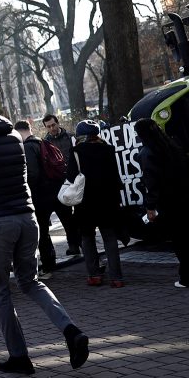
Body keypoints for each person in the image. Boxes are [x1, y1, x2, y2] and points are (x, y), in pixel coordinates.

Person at [0, 95, 89, 374]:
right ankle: (71, 331)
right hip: (26, 217)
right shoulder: (13, 137)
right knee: (31, 282)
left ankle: (20, 357)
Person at [69, 120, 124, 288]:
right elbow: (116, 177)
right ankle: (117, 278)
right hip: (107, 201)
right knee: (109, 238)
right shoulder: (108, 149)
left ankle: (94, 275)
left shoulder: (76, 152)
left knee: (87, 238)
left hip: (85, 204)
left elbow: (71, 177)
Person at [134, 118, 188, 288]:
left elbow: (152, 183)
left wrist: (150, 207)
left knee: (179, 241)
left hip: (169, 203)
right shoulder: (172, 145)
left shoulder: (147, 153)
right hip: (184, 197)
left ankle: (186, 277)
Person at [15, 121, 59, 276]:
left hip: (39, 195)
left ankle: (48, 265)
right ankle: (51, 261)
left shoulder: (27, 147)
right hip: (51, 191)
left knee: (41, 232)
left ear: (19, 132)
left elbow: (32, 174)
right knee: (45, 230)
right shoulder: (41, 141)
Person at [41, 115, 83, 255]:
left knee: (76, 216)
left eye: (53, 125)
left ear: (58, 123)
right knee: (67, 217)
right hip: (58, 184)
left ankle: (80, 243)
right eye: (49, 126)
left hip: (75, 180)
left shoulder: (70, 137)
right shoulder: (45, 143)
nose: (52, 128)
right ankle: (74, 245)